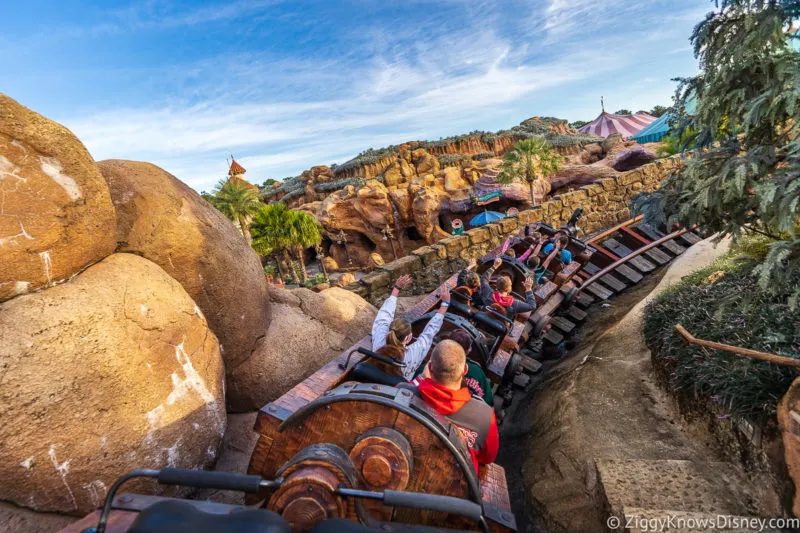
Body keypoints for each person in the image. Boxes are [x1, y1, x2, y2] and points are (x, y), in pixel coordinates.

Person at [399, 340, 499, 472]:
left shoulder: (401, 393)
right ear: (465, 370)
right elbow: (487, 458)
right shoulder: (486, 417)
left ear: (429, 368)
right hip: (451, 488)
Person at [372, 274, 451, 380]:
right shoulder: (413, 353)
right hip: (396, 390)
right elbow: (430, 332)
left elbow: (384, 315)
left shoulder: (379, 338)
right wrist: (445, 303)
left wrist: (396, 289)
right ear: (408, 338)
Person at [413, 329, 494, 405]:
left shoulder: (427, 368)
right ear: (468, 351)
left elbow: (412, 386)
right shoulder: (477, 372)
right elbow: (489, 403)